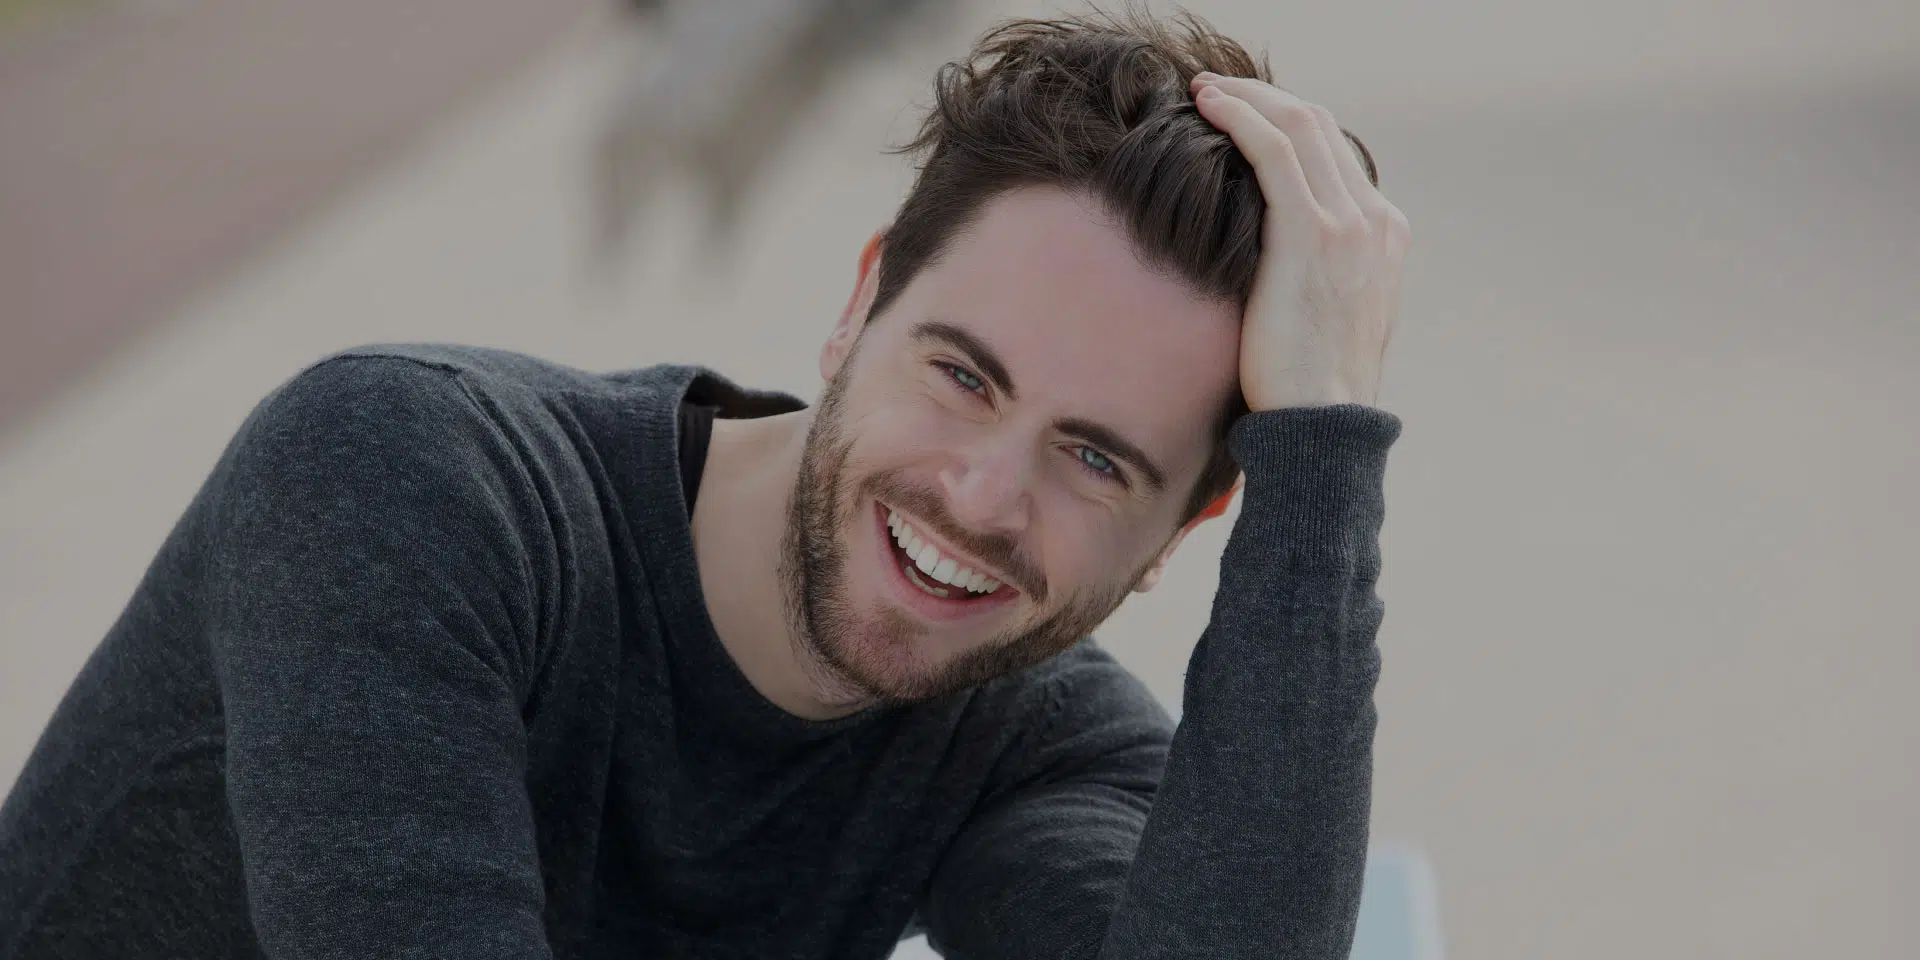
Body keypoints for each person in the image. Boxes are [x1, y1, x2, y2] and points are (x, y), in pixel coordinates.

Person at [0, 9, 1408, 959]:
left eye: (1095, 461)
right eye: (963, 375)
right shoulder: (399, 481)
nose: (982, 497)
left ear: (1182, 533)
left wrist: (1323, 457)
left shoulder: (1042, 752)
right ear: (859, 305)